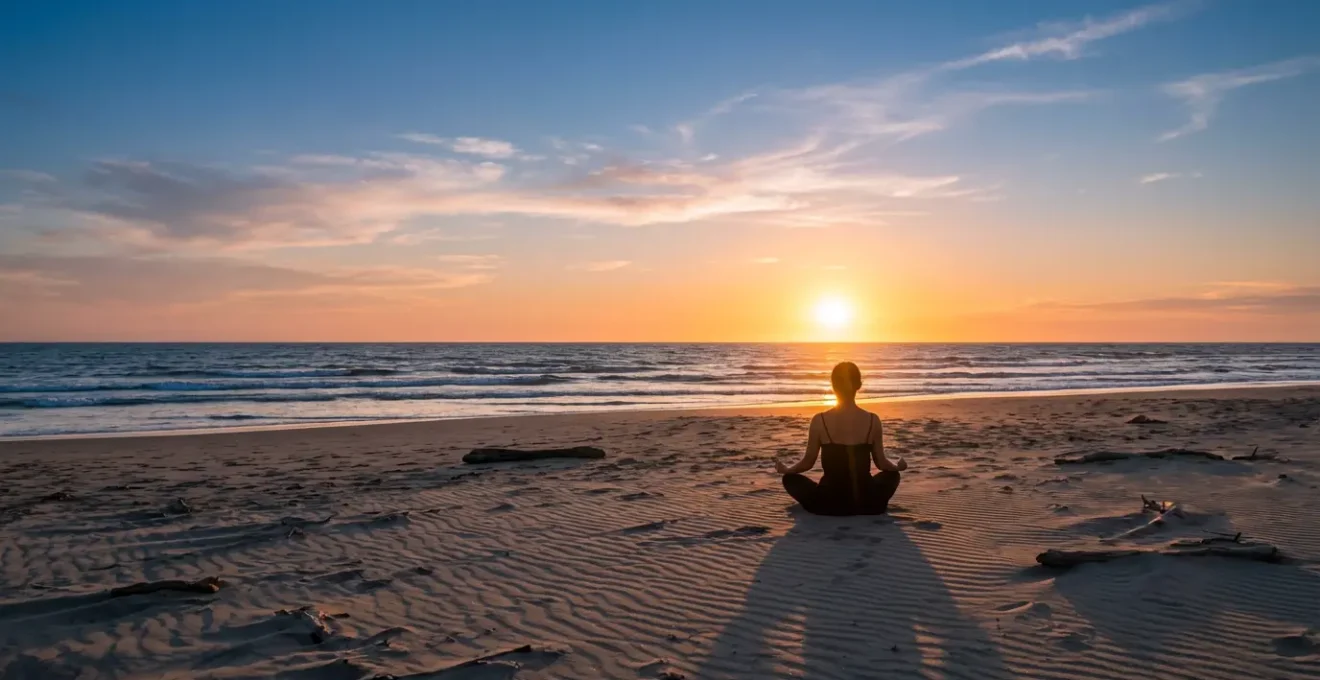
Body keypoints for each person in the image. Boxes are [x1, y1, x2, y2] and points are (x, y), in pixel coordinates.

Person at [774, 361, 905, 515]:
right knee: (892, 476)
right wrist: (897, 467)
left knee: (790, 480)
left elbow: (808, 462)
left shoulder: (819, 420)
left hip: (829, 503)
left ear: (833, 386)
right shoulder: (872, 420)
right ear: (859, 385)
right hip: (868, 502)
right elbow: (882, 464)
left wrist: (787, 470)